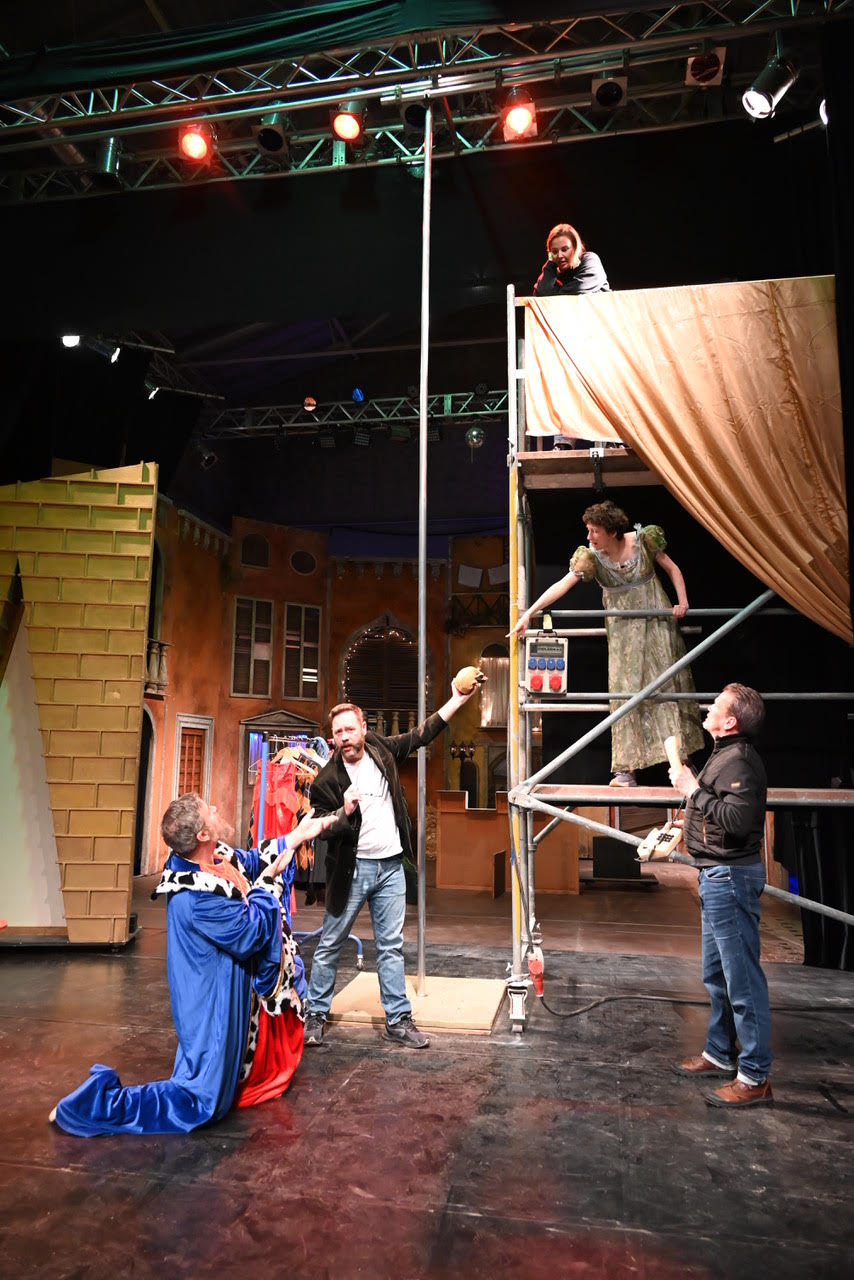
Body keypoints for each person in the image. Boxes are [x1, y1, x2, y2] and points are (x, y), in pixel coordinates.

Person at [51, 795, 335, 1136]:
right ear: (202, 834)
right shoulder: (197, 895)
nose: (215, 810)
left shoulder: (213, 857)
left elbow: (250, 861)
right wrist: (269, 883)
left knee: (240, 1075)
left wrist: (297, 837)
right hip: (214, 1003)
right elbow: (250, 933)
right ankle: (95, 1104)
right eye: (208, 811)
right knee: (200, 1099)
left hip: (233, 989)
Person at [303, 675, 482, 1049]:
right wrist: (343, 811)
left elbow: (421, 735)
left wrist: (456, 700)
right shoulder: (326, 780)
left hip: (390, 869)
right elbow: (319, 828)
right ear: (333, 738)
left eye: (350, 729)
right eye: (338, 732)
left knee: (391, 947)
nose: (345, 737)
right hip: (352, 872)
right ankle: (315, 1014)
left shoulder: (381, 750)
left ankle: (397, 1020)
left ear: (363, 728)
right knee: (331, 943)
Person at [509, 500, 704, 785]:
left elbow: (673, 569)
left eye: (594, 531)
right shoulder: (592, 558)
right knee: (625, 692)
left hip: (657, 624)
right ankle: (626, 769)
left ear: (612, 531)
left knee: (667, 687)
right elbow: (562, 585)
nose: (589, 537)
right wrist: (529, 613)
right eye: (588, 530)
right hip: (623, 633)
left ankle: (683, 764)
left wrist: (682, 602)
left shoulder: (643, 541)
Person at [669, 684, 773, 1108]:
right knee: (718, 975)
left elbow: (737, 819)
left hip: (730, 878)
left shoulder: (740, 760)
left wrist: (691, 790)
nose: (708, 707)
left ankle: (754, 1077)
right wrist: (690, 813)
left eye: (716, 705)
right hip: (715, 876)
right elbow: (717, 807)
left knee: (742, 980)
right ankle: (719, 1052)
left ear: (730, 721)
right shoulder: (723, 754)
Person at [532, 222, 610, 297]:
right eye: (555, 252)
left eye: (564, 249)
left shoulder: (590, 260)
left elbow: (578, 289)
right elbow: (540, 293)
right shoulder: (553, 272)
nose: (559, 255)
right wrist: (551, 262)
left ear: (575, 248)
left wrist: (552, 293)